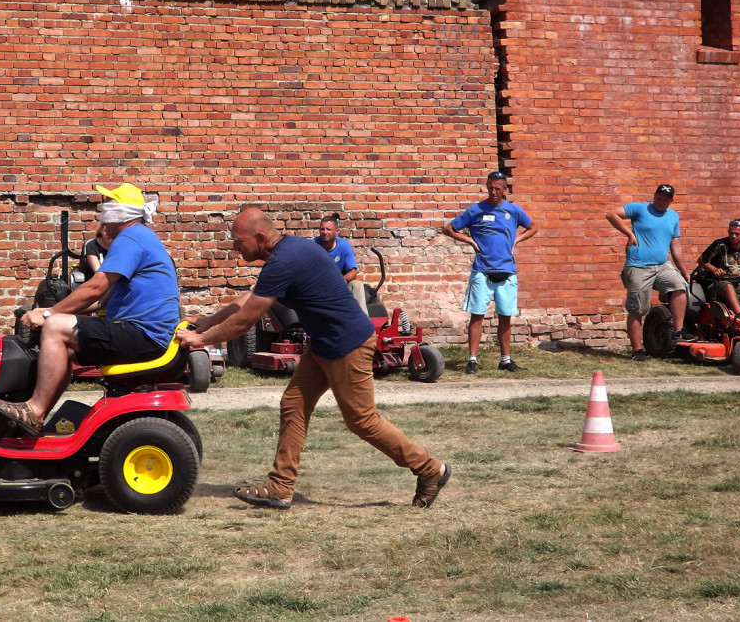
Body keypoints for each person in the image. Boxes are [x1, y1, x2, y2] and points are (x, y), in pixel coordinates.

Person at [177, 207, 449, 510]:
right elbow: (248, 301)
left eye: (237, 240)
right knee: (294, 403)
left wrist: (200, 340)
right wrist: (207, 322)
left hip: (349, 344)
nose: (234, 247)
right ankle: (280, 487)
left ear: (260, 237)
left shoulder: (285, 259)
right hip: (323, 343)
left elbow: (244, 320)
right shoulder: (287, 252)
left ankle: (430, 469)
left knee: (362, 421)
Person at [0, 183, 180, 435]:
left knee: (56, 328)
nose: (101, 216)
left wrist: (49, 315)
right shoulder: (142, 237)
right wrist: (54, 309)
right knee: (63, 344)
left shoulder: (131, 238)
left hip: (142, 334)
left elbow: (95, 287)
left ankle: (34, 410)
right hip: (142, 333)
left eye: (106, 206)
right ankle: (38, 415)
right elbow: (101, 301)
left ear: (119, 213)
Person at [443, 171, 538, 374]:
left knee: (505, 316)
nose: (493, 192)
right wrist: (469, 240)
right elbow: (449, 229)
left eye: (497, 188)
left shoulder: (513, 211)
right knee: (477, 315)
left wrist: (516, 241)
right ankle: (472, 360)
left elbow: (533, 227)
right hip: (482, 271)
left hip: (507, 271)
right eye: (490, 187)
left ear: (505, 189)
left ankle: (505, 359)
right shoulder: (476, 210)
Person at [605, 184, 693, 362]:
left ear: (671, 201)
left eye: (665, 199)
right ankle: (637, 350)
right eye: (659, 197)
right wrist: (629, 234)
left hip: (662, 265)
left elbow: (675, 245)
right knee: (638, 309)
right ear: (654, 196)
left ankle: (678, 331)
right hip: (638, 265)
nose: (661, 201)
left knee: (679, 287)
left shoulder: (673, 216)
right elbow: (611, 214)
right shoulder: (640, 209)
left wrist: (684, 270)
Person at [697, 219, 740, 317]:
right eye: (731, 233)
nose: (733, 236)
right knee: (728, 286)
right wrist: (714, 269)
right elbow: (701, 260)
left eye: (737, 234)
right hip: (718, 283)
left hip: (739, 283)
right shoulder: (719, 244)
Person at [314, 214, 368, 316]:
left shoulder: (344, 245)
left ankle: (364, 325)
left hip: (339, 287)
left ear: (337, 231)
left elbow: (353, 271)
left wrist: (341, 281)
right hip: (319, 289)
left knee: (357, 284)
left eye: (328, 229)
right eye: (322, 229)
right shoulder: (313, 245)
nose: (325, 232)